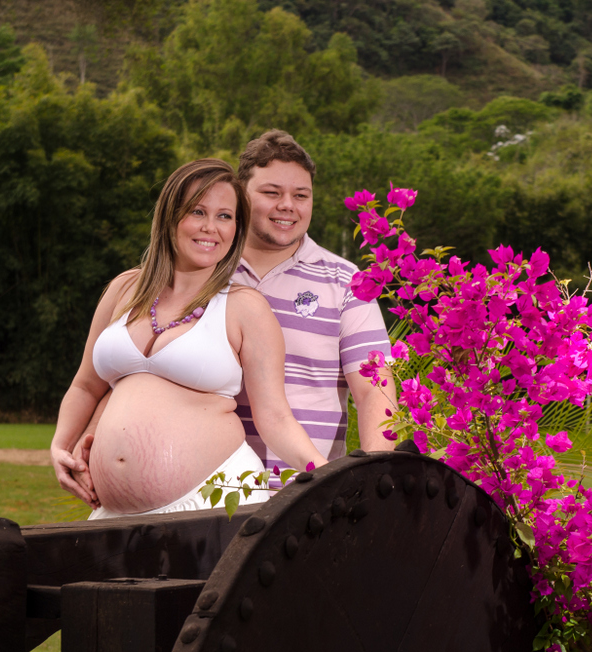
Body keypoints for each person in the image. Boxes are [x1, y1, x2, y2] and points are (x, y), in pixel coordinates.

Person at [50, 159, 327, 516]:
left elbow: (274, 417)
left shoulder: (244, 307)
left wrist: (322, 472)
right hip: (114, 512)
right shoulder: (123, 290)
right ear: (169, 217)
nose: (211, 227)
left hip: (214, 503)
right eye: (198, 211)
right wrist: (60, 446)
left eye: (225, 216)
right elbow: (85, 386)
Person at [230, 130, 396, 478]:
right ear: (240, 195)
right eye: (271, 192)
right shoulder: (206, 273)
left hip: (307, 494)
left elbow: (374, 391)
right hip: (212, 491)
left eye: (300, 195)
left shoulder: (348, 281)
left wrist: (369, 478)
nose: (287, 205)